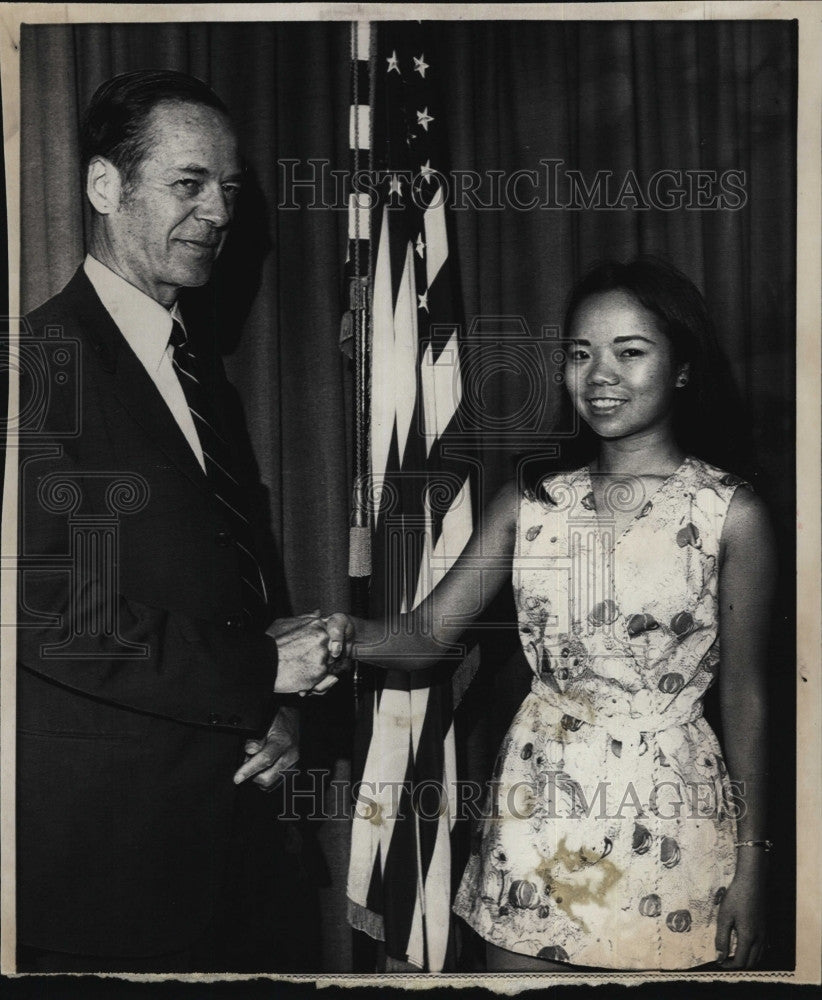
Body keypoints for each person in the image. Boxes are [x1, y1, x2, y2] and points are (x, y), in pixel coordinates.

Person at [346, 257, 773, 971]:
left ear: (682, 369)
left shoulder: (732, 514)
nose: (600, 374)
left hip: (673, 822)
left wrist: (756, 863)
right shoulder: (531, 506)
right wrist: (335, 636)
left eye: (629, 352)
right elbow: (424, 638)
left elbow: (750, 697)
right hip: (536, 813)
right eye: (581, 354)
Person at [16, 69, 343, 973]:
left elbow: (232, 571)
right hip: (104, 876)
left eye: (229, 191)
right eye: (188, 184)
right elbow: (48, 611)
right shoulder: (38, 366)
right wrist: (258, 667)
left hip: (234, 850)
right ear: (103, 187)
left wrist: (274, 708)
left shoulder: (200, 371)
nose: (216, 213)